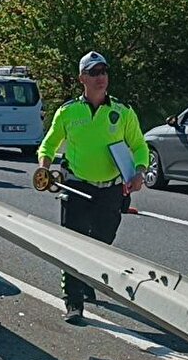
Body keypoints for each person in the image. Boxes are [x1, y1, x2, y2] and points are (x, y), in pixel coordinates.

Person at [37, 51, 149, 323]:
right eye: (94, 72)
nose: (101, 77)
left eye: (104, 71)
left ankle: (86, 278)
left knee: (102, 242)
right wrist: (44, 167)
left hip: (110, 190)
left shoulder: (122, 111)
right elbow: (48, 145)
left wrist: (139, 171)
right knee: (73, 243)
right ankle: (73, 302)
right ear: (82, 78)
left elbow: (139, 146)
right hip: (76, 186)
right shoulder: (68, 112)